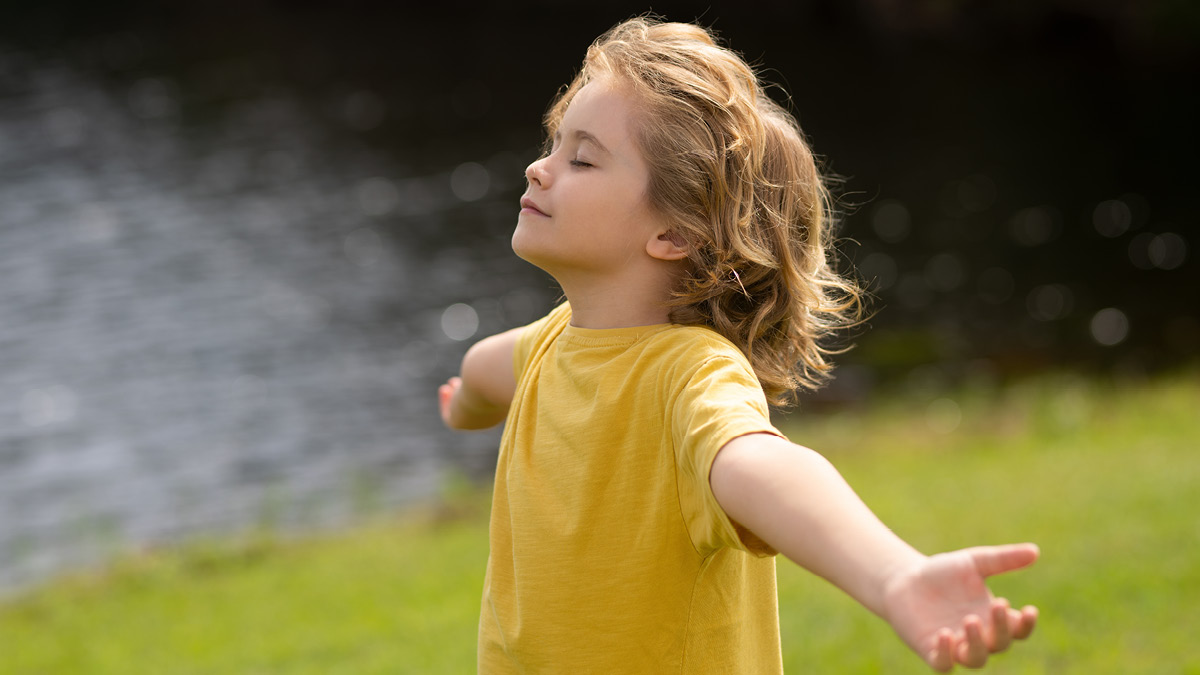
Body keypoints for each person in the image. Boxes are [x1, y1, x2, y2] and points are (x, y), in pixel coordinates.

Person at [438, 16, 1038, 674]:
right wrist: (466, 402)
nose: (539, 168)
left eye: (581, 159)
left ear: (675, 233)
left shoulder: (690, 374)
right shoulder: (553, 343)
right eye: (554, 145)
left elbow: (764, 467)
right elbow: (485, 369)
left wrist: (894, 574)